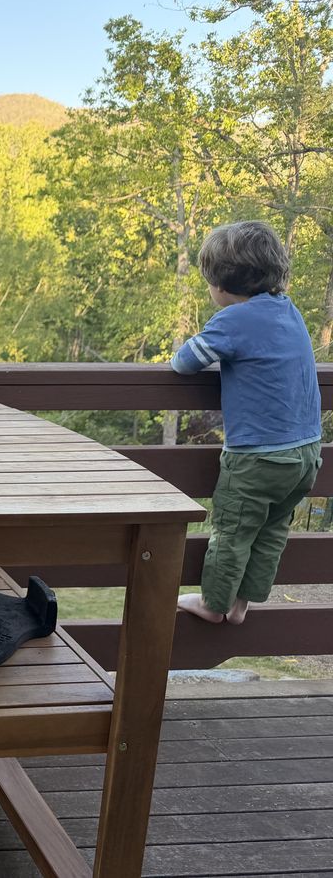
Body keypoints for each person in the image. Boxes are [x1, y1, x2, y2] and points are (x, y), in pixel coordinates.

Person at [170, 221, 322, 624]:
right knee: (272, 531)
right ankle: (242, 604)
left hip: (257, 457)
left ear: (220, 285)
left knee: (232, 531)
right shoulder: (288, 311)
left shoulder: (233, 321)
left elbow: (184, 362)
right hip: (306, 453)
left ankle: (214, 604)